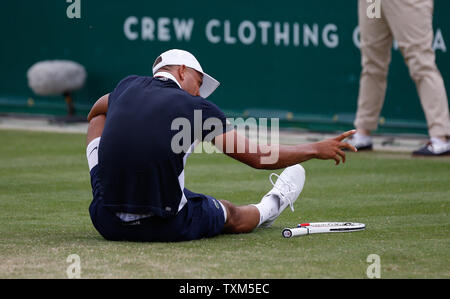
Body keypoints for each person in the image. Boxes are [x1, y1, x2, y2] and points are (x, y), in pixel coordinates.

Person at [85, 49, 357, 242]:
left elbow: (97, 112)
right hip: (165, 225)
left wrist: (98, 166)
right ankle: (271, 206)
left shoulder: (125, 86)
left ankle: (102, 183)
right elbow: (257, 157)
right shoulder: (196, 108)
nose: (197, 93)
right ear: (182, 71)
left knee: (104, 144)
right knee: (232, 214)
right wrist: (313, 149)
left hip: (106, 221)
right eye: (198, 83)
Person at [350, 0, 450, 156]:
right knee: (371, 63)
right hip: (373, 2)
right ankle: (363, 133)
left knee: (421, 62)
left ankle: (441, 136)